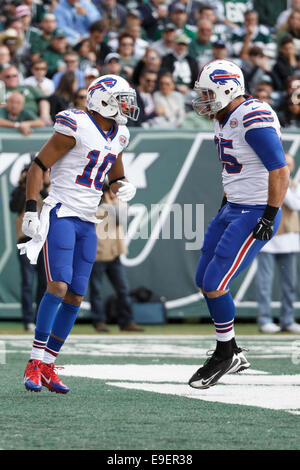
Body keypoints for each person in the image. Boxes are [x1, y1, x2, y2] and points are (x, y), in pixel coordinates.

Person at [20, 74, 140, 393]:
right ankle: (34, 361)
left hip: (88, 220)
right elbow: (37, 166)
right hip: (61, 212)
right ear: (102, 99)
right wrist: (32, 208)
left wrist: (122, 185)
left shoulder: (120, 134)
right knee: (57, 285)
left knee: (76, 294)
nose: (127, 106)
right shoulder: (76, 123)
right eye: (120, 99)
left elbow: (115, 173)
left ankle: (48, 363)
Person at [188, 59, 289, 390]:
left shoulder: (251, 115)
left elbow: (280, 169)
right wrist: (225, 203)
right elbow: (237, 169)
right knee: (204, 278)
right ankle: (231, 350)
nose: (202, 99)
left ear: (227, 88)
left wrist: (270, 215)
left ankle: (225, 352)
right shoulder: (223, 116)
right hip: (233, 206)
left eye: (208, 92)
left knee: (216, 281)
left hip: (254, 210)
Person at [89, 183, 144, 332]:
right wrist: (105, 201)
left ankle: (127, 322)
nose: (113, 194)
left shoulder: (119, 203)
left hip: (114, 255)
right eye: (110, 191)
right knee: (96, 291)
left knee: (123, 289)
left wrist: (111, 202)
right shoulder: (94, 204)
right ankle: (99, 321)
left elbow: (120, 219)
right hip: (98, 254)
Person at [256, 153, 300, 333]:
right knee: (264, 283)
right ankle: (265, 319)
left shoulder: (295, 187)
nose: (286, 168)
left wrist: (284, 186)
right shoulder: (266, 184)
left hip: (290, 240)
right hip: (267, 240)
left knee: (290, 283)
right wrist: (279, 183)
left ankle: (287, 319)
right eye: (284, 164)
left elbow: (296, 205)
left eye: (289, 165)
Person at [10, 163, 48, 332]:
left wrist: (38, 184)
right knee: (27, 281)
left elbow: (50, 202)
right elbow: (15, 207)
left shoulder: (45, 189)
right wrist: (23, 185)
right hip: (26, 240)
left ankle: (40, 318)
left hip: (43, 240)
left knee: (44, 283)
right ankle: (27, 320)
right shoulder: (20, 191)